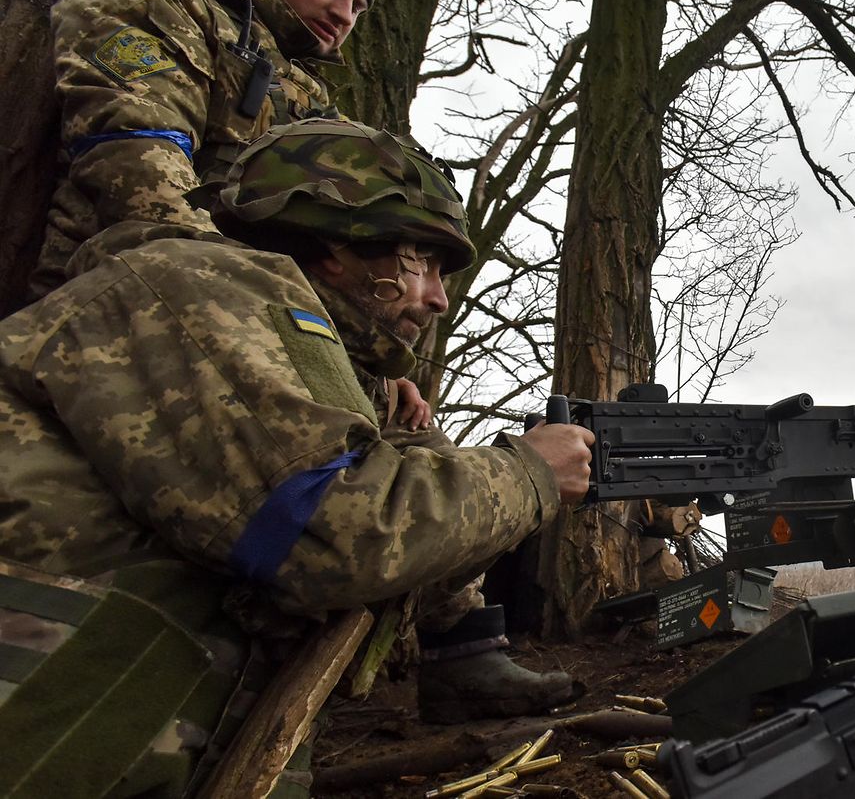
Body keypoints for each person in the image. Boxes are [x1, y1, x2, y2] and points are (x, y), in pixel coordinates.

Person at [0, 119, 594, 797]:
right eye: (423, 262)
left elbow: (390, 579)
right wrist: (527, 473)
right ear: (341, 242)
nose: (438, 298)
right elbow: (330, 534)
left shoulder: (311, 356)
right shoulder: (196, 287)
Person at [29, 0, 378, 298]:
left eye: (358, 8)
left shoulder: (311, 95)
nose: (344, 15)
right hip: (111, 297)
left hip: (238, 307)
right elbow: (137, 161)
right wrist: (251, 294)